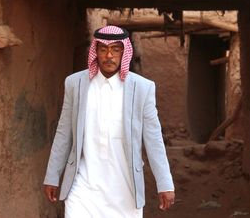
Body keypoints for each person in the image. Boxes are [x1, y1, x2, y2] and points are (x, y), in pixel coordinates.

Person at [43, 25, 175, 217]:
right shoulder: (75, 84)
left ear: (124, 52)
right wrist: (52, 176)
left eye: (115, 49)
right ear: (95, 51)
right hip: (83, 188)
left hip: (124, 190)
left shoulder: (142, 88)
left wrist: (165, 183)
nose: (109, 56)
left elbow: (153, 139)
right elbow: (64, 133)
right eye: (103, 49)